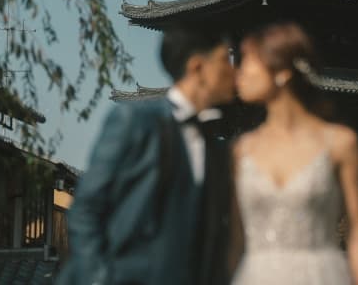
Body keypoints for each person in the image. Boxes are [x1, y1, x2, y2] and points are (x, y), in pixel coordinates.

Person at [56, 26, 236, 285]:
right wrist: (98, 278)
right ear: (198, 68)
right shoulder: (135, 122)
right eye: (224, 60)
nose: (234, 70)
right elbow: (86, 209)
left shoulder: (216, 146)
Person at [230, 22, 358, 285]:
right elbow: (235, 239)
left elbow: (357, 230)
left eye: (247, 62)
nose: (237, 73)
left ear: (283, 72)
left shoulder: (340, 142)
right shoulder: (242, 150)